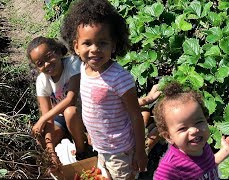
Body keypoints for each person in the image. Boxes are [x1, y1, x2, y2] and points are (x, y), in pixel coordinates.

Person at [60, 0, 148, 178]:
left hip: (120, 150)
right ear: (76, 46)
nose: (94, 49)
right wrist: (92, 134)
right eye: (87, 43)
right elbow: (93, 108)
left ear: (114, 45)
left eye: (102, 43)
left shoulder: (119, 77)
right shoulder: (83, 70)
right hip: (101, 146)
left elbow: (135, 115)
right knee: (104, 175)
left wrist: (140, 152)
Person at [26, 36, 90, 171]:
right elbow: (48, 118)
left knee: (70, 112)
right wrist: (51, 153)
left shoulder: (73, 63)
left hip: (83, 112)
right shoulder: (42, 81)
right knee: (40, 136)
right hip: (60, 118)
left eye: (49, 57)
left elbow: (71, 99)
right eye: (40, 63)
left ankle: (81, 151)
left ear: (59, 52)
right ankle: (55, 156)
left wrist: (42, 119)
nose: (47, 64)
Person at [153, 82, 229, 180]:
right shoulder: (170, 167)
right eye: (182, 128)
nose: (194, 130)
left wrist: (225, 150)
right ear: (168, 137)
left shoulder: (202, 145)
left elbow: (207, 166)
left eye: (199, 122)